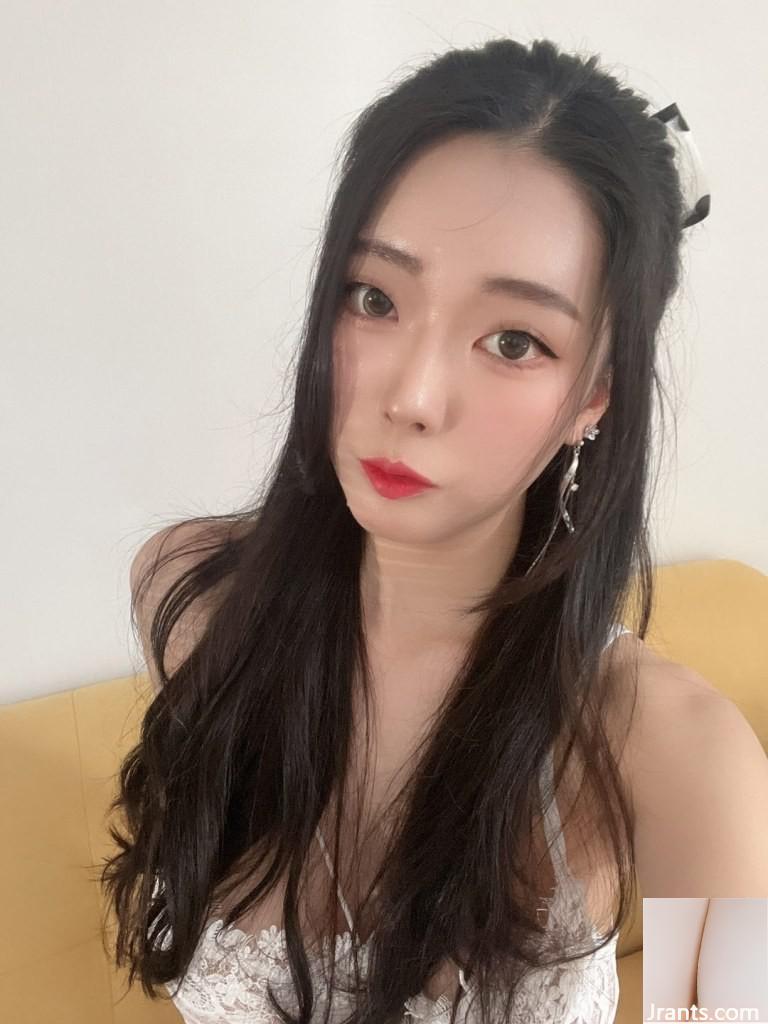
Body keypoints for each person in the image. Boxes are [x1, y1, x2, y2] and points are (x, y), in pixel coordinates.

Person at [101, 36, 766, 1024]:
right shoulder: (189, 595)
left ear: (594, 397)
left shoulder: (684, 757)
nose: (411, 396)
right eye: (374, 298)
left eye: (514, 340)